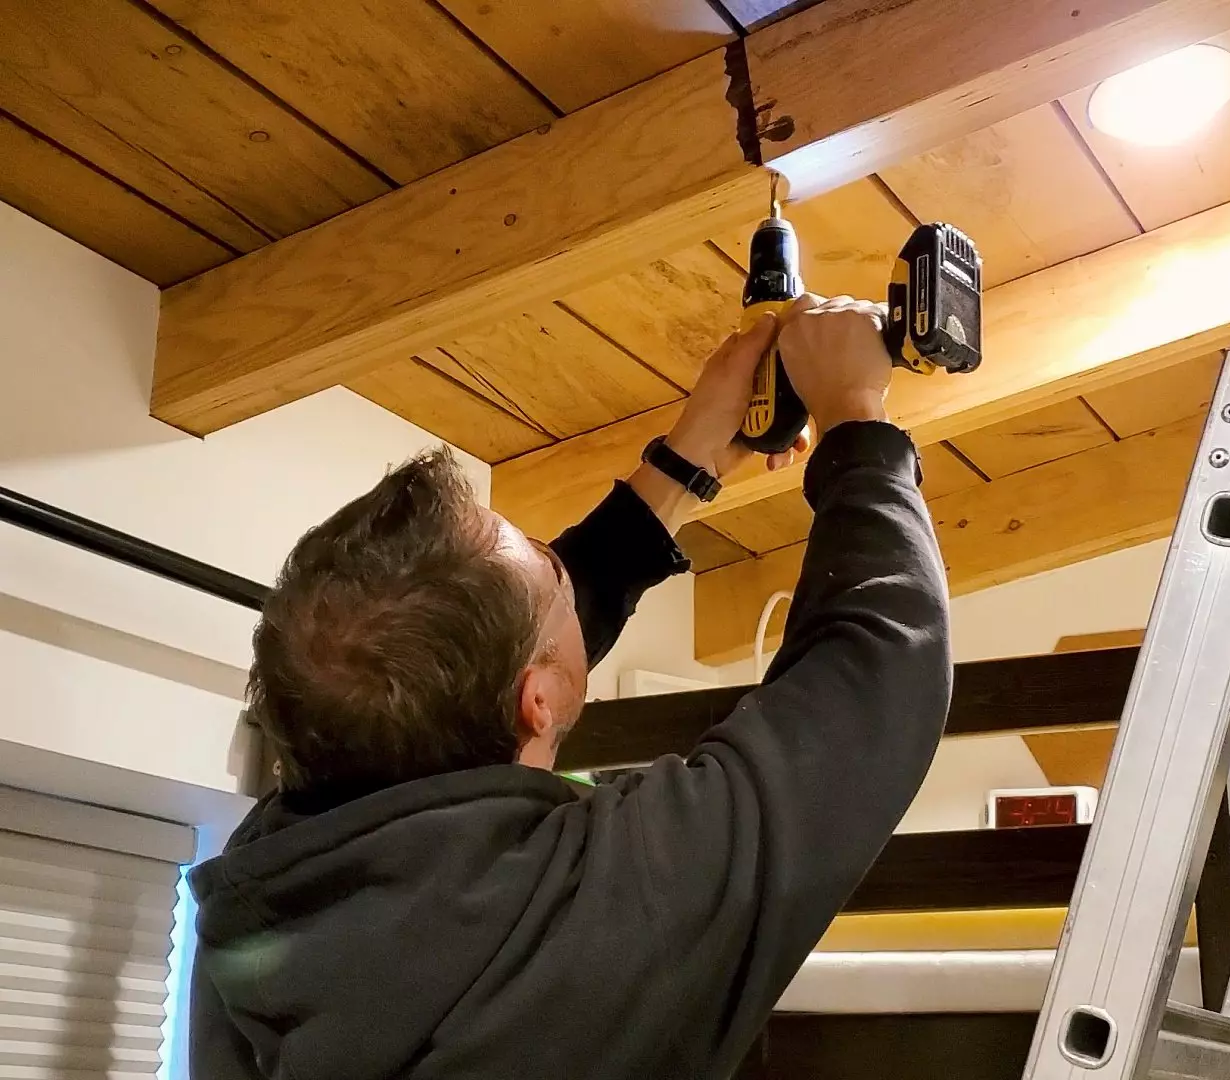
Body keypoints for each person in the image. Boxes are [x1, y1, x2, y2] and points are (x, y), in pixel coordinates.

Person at [186, 293, 953, 1080]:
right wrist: (859, 426)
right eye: (547, 568)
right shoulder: (608, 905)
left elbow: (494, 651)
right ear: (536, 702)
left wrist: (686, 463)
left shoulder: (259, 893)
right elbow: (877, 669)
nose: (562, 566)